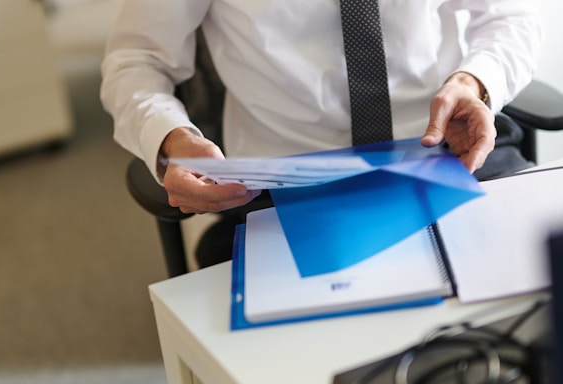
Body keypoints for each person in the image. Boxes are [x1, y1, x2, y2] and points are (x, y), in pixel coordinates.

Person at [100, 0, 543, 265]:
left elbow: (514, 15)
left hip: (450, 149)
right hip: (285, 182)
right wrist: (171, 139)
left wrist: (475, 82)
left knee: (534, 285)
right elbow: (135, 62)